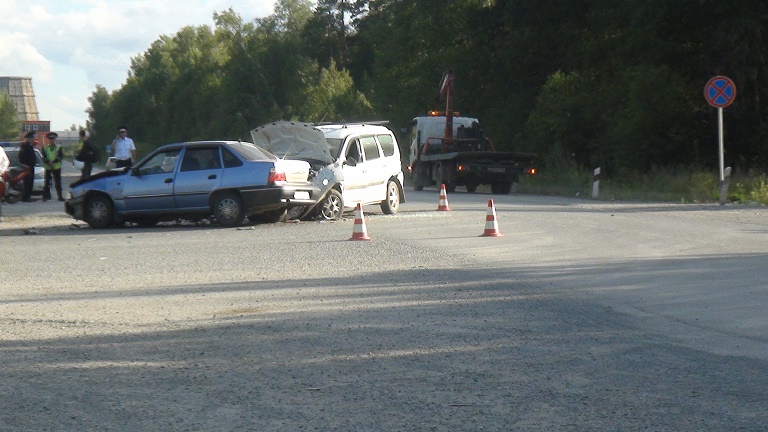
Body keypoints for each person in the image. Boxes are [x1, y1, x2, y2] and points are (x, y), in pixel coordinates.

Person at [41, 131, 64, 201]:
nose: (52, 140)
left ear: (55, 139)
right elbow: (43, 157)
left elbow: (60, 157)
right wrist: (49, 162)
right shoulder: (44, 148)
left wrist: (53, 162)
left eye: (53, 139)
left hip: (56, 167)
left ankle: (60, 196)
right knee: (47, 182)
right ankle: (45, 196)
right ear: (48, 140)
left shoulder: (59, 148)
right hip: (48, 167)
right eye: (50, 139)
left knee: (58, 182)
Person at [18, 131, 37, 202]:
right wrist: (26, 166)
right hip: (27, 167)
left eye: (33, 138)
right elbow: (22, 158)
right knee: (27, 182)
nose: (33, 139)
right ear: (28, 138)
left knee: (30, 182)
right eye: (31, 138)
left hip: (31, 167)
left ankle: (28, 196)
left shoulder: (29, 146)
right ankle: (25, 197)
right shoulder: (24, 146)